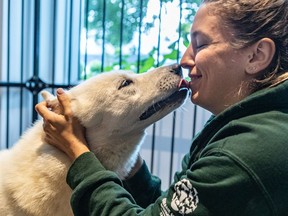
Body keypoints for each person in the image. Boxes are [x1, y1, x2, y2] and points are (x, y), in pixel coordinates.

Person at [35, 0, 288, 215]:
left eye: (201, 44)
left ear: (256, 56)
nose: (185, 60)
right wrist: (127, 161)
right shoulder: (237, 125)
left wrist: (78, 152)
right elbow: (169, 208)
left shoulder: (240, 154)